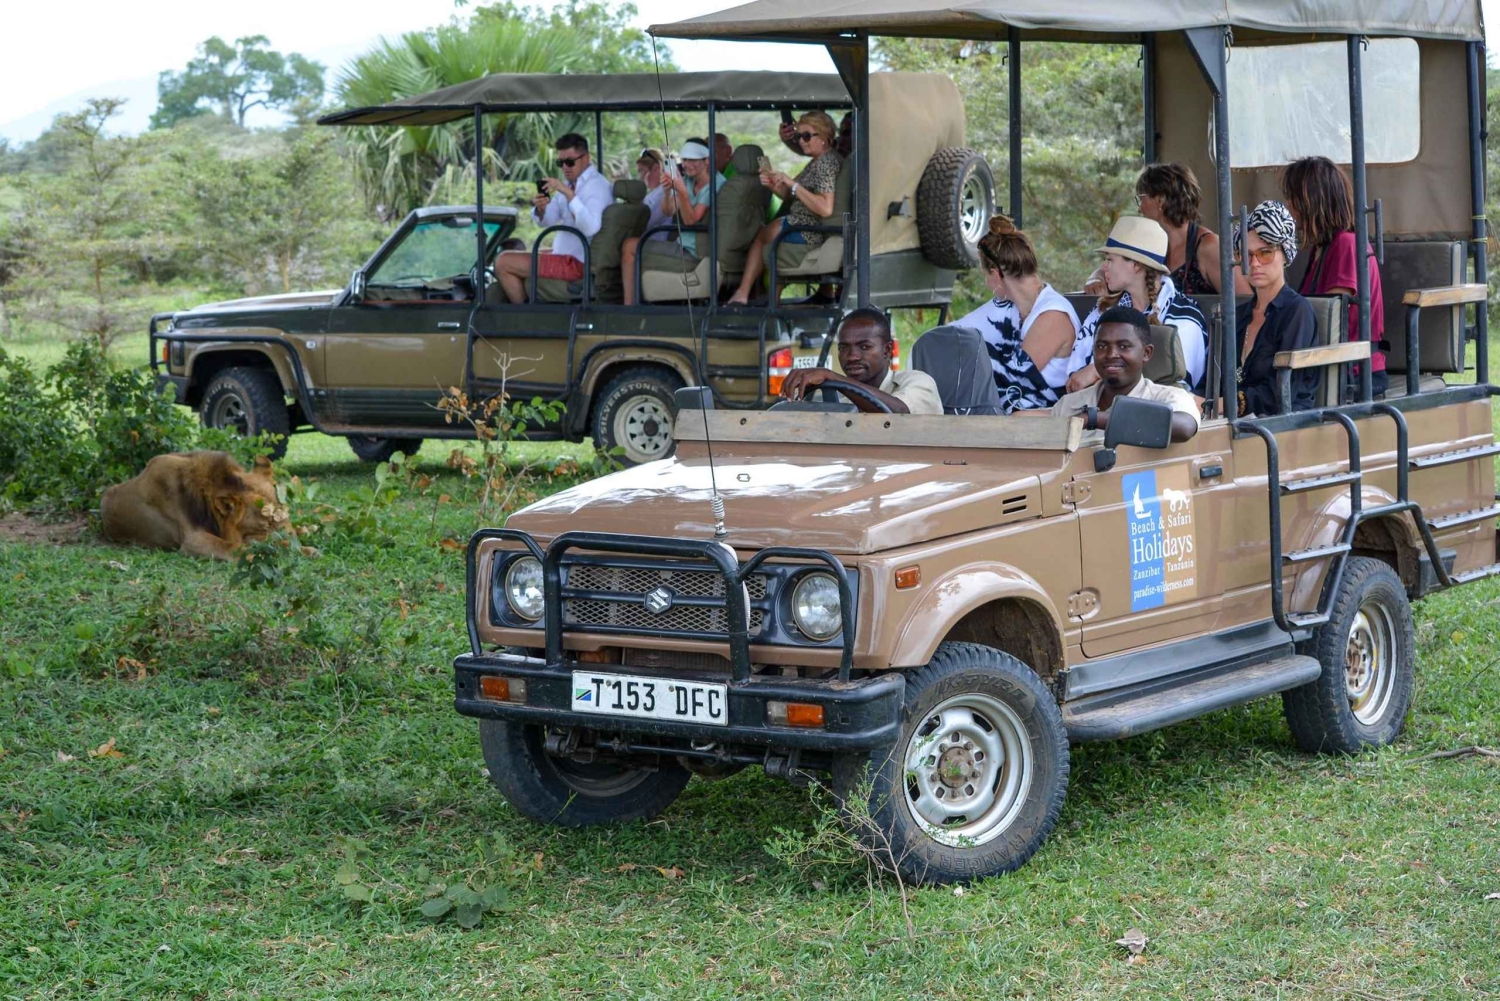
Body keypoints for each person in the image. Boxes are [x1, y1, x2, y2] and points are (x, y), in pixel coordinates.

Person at [1281, 155, 1387, 397]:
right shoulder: (1323, 247)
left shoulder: (1346, 244)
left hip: (1354, 373)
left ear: (1312, 201)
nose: (1288, 206)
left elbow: (1328, 320)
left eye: (1293, 199)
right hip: (1330, 366)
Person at [1068, 216, 1210, 394]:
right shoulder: (1104, 310)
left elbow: (1175, 390)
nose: (1104, 267)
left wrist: (1097, 371)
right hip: (1094, 409)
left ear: (1135, 265)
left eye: (1110, 259)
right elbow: (1075, 381)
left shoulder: (1184, 317)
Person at [953, 214, 1080, 412]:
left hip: (1047, 416)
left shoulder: (1053, 315)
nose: (987, 283)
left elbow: (1013, 379)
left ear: (996, 274)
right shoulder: (1020, 310)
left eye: (985, 275)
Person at [728, 112, 844, 305]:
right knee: (767, 235)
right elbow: (793, 198)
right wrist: (775, 185)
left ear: (823, 136)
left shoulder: (826, 164)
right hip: (804, 221)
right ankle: (767, 296)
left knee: (761, 237)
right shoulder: (818, 161)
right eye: (799, 136)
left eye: (807, 136)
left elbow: (825, 208)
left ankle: (744, 293)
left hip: (810, 227)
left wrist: (792, 184)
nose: (802, 142)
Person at [1052, 306, 1200, 442]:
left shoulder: (1168, 397)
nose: (1111, 354)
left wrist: (1094, 419)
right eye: (1102, 346)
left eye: (1123, 346)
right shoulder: (1068, 405)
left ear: (1146, 353)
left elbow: (1184, 427)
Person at [494, 133, 613, 303]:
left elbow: (591, 227)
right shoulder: (570, 183)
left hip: (578, 263)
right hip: (566, 255)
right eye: (561, 163)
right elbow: (548, 221)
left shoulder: (597, 186)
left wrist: (569, 194)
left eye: (570, 162)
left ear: (586, 158)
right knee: (523, 254)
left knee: (503, 262)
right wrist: (541, 208)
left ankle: (521, 316)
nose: (565, 167)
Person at [1234, 200, 1318, 417]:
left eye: (1265, 253)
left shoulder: (1297, 311)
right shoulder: (1238, 315)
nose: (1255, 263)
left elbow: (1283, 391)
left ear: (1284, 255)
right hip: (1232, 422)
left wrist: (1230, 403)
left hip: (1283, 426)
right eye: (1247, 254)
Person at [779, 308, 943, 414]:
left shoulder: (917, 382)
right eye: (843, 348)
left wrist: (832, 376)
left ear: (887, 350)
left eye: (864, 347)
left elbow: (899, 412)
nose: (851, 356)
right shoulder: (840, 403)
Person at [619, 141, 725, 305]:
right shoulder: (690, 181)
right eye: (685, 160)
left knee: (630, 246)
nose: (687, 165)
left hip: (695, 252)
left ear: (707, 161)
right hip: (682, 244)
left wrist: (681, 191)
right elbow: (668, 210)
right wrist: (668, 190)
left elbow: (690, 220)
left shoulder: (715, 184)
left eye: (693, 160)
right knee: (630, 243)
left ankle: (629, 307)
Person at [1133, 162, 1249, 296]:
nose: (1139, 208)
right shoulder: (1154, 248)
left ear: (1160, 200)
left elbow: (1243, 303)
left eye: (1141, 199)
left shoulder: (1209, 246)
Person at [636, 148, 672, 243]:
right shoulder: (652, 193)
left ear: (656, 168)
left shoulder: (665, 192)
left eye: (642, 171)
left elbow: (646, 223)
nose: (640, 176)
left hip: (655, 240)